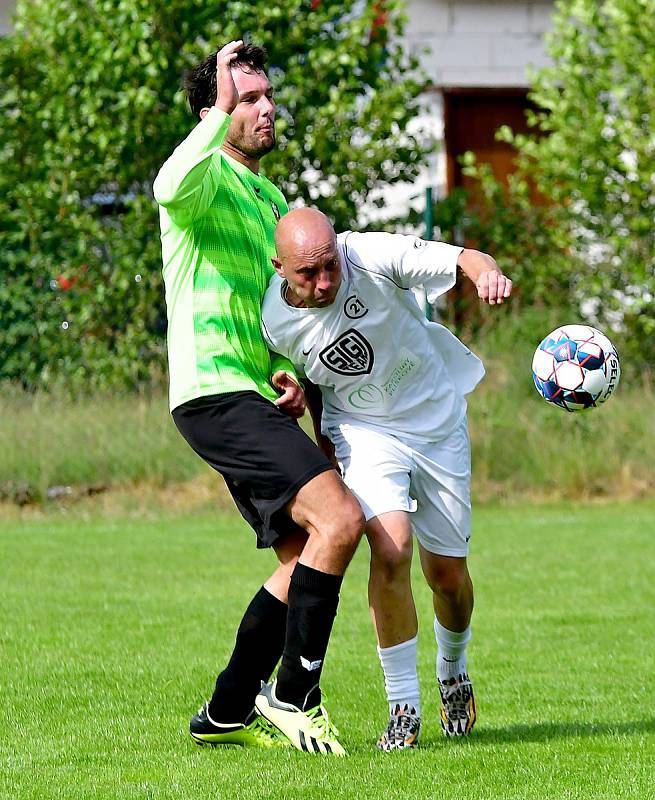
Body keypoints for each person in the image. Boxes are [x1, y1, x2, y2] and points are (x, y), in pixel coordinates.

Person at [153, 42, 364, 756]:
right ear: (214, 107)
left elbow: (277, 307)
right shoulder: (203, 174)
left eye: (266, 95)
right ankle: (294, 694)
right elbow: (164, 186)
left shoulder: (272, 199)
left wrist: (283, 365)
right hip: (211, 389)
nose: (264, 107)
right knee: (340, 516)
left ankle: (226, 709)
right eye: (245, 98)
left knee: (303, 551)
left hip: (252, 390)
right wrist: (215, 111)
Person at [260, 207, 513, 750]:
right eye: (309, 273)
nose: (326, 281)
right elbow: (284, 376)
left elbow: (465, 257)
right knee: (391, 549)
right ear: (279, 267)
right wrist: (286, 390)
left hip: (437, 422)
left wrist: (485, 272)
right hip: (366, 432)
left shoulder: (366, 255)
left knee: (447, 576)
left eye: (331, 265)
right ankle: (403, 707)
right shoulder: (272, 321)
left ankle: (453, 667)